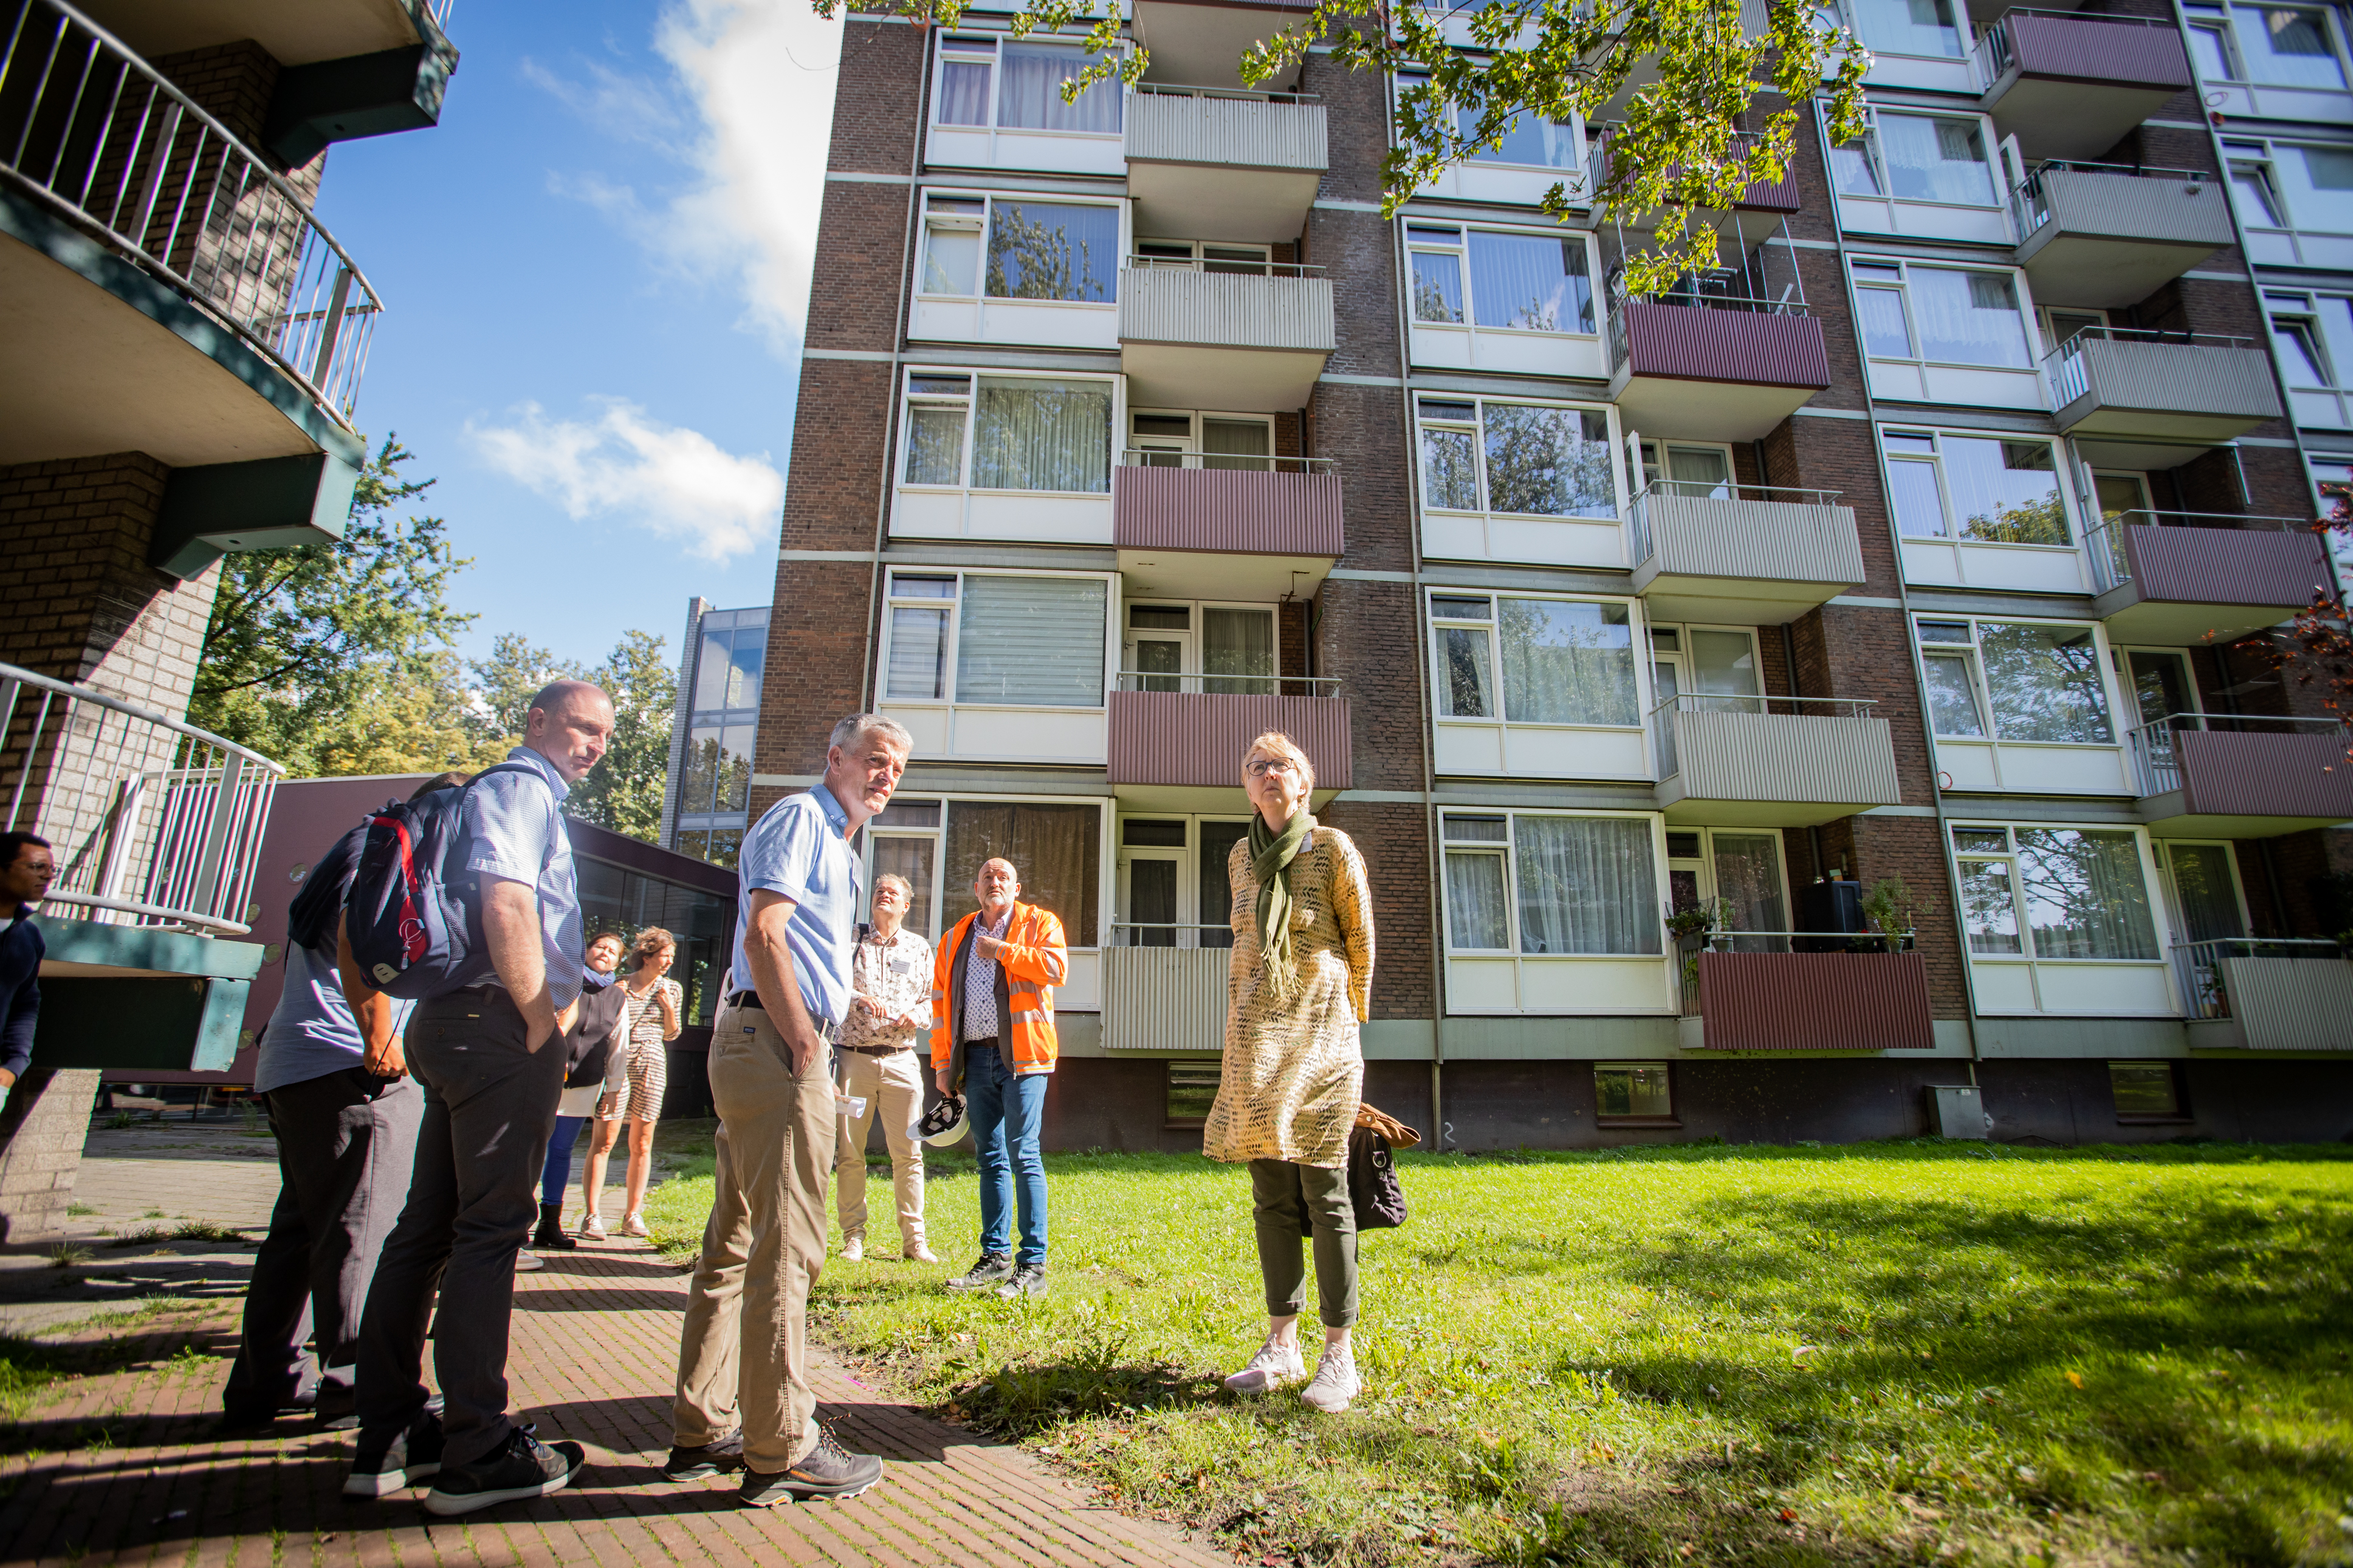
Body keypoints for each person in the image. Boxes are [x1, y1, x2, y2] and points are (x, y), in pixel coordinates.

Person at [346, 680, 613, 1515]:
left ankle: (390, 1434)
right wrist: (543, 1019)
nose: (593, 745)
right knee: (491, 1232)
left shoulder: (499, 792)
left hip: (455, 1024)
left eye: (604, 735)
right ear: (537, 722)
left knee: (427, 1226)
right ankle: (478, 1448)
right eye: (579, 727)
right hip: (497, 1028)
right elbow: (507, 899)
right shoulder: (520, 789)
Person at [668, 713, 908, 1507]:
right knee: (791, 1242)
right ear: (835, 756)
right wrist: (805, 1039)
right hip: (775, 1042)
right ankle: (783, 1443)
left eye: (896, 769)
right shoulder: (802, 817)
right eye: (874, 760)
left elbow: (792, 940)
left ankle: (703, 1428)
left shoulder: (836, 845)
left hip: (758, 1037)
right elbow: (765, 931)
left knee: (733, 1239)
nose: (885, 776)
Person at [221, 776, 462, 1431]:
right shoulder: (390, 861)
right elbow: (359, 944)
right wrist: (381, 1042)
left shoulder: (351, 852)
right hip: (347, 1069)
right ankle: (354, 1385)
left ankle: (264, 1380)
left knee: (299, 1233)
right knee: (361, 1231)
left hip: (295, 1066)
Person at [1206, 731, 1375, 1416]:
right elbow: (1244, 939)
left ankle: (1340, 1352)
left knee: (1324, 1186)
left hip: (1321, 1035)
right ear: (1246, 788)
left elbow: (1359, 939)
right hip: (1254, 1039)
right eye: (1256, 766)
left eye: (1281, 765)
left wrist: (1348, 1023)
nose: (1268, 773)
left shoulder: (1332, 848)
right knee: (1269, 1189)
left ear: (1303, 784)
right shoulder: (1238, 856)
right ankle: (1282, 1343)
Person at [932, 858, 1067, 1299]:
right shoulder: (954, 937)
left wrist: (1002, 950)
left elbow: (1055, 969)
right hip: (974, 1058)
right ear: (976, 888)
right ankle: (995, 1257)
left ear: (1017, 887)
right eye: (988, 877)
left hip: (1024, 1060)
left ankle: (1033, 1265)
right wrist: (942, 1065)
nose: (995, 882)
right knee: (990, 1159)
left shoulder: (1040, 922)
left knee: (1024, 1154)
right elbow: (941, 1005)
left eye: (1003, 877)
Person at [834, 873, 936, 1264]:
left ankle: (915, 1241)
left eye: (893, 893)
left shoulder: (918, 946)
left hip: (902, 1062)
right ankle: (853, 1237)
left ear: (906, 906)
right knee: (849, 1152)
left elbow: (931, 1001)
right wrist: (859, 999)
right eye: (879, 891)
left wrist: (917, 1015)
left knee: (909, 1153)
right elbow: (831, 986)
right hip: (852, 1059)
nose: (884, 896)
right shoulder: (851, 940)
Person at [531, 931, 630, 1253]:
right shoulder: (564, 981)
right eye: (601, 946)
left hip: (584, 1084)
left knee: (560, 1152)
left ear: (618, 961)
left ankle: (549, 1224)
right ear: (587, 951)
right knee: (530, 1148)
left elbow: (618, 1046)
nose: (605, 952)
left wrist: (612, 1089)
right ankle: (516, 1222)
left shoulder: (618, 997)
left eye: (613, 951)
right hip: (546, 1077)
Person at [579, 926, 681, 1240]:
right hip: (619, 1062)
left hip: (653, 1062)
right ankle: (591, 1216)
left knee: (642, 1143)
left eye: (672, 958)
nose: (668, 963)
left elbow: (672, 1034)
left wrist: (666, 1007)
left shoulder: (671, 989)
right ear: (647, 956)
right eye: (664, 956)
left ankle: (632, 1215)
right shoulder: (619, 985)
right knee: (605, 1139)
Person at [0, 833, 57, 1120]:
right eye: (37, 867)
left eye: (51, 870)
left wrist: (12, 1068)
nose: (47, 877)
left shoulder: (29, 936)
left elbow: (25, 1003)